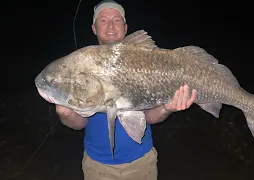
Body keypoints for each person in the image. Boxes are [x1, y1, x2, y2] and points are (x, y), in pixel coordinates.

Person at [55, 0, 197, 179]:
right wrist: (66, 114)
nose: (111, 26)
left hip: (142, 164)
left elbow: (148, 118)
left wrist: (166, 108)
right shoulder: (85, 66)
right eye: (103, 20)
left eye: (116, 20)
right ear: (94, 28)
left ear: (125, 26)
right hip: (98, 168)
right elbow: (80, 123)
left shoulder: (144, 62)